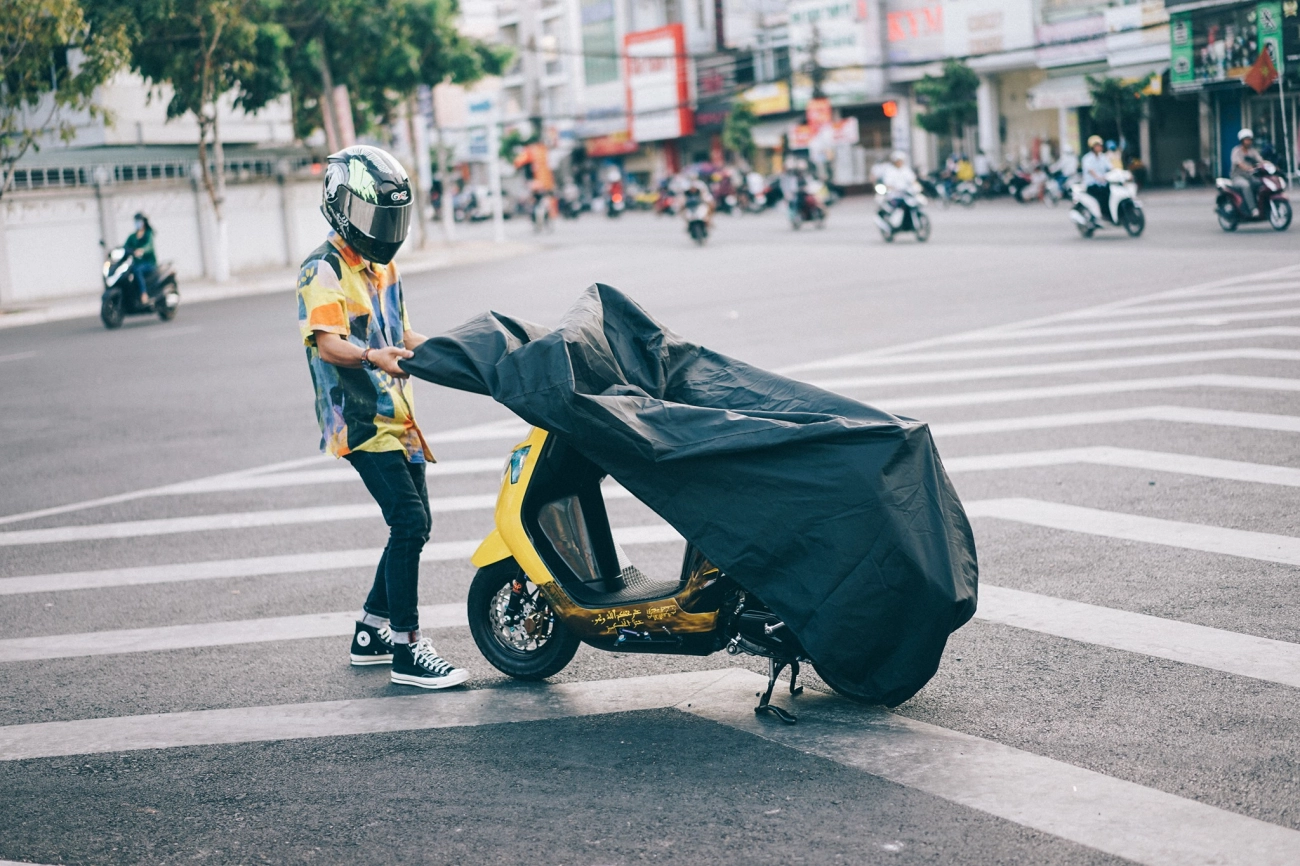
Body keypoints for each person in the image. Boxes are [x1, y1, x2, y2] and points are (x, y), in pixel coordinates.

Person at [297, 144, 469, 690]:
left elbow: (403, 337)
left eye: (391, 217)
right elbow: (329, 343)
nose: (384, 229)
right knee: (410, 522)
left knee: (415, 524)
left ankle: (371, 630)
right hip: (362, 420)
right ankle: (407, 649)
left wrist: (461, 356)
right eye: (375, 216)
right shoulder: (320, 270)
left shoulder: (384, 266)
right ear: (341, 206)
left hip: (401, 418)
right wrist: (373, 356)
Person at [123, 212, 156, 305]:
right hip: (136, 263)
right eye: (136, 221)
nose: (137, 223)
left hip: (148, 263)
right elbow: (125, 247)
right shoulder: (132, 236)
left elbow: (149, 246)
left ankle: (143, 294)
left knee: (137, 270)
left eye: (139, 221)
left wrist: (142, 250)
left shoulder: (148, 234)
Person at [1230, 128, 1263, 217]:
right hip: (1237, 177)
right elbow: (1239, 163)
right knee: (1246, 185)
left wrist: (1270, 165)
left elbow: (1260, 160)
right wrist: (1249, 168)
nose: (1249, 141)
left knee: (1261, 183)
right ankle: (1253, 209)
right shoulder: (1236, 151)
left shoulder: (1252, 151)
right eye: (1246, 139)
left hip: (1250, 176)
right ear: (1242, 141)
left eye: (1250, 139)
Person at [1082, 135, 1112, 222]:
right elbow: (1090, 170)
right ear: (1092, 147)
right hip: (1092, 185)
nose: (1100, 147)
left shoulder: (1103, 157)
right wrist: (1098, 177)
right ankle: (1104, 215)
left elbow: (1110, 167)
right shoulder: (1087, 158)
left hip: (1103, 184)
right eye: (1097, 145)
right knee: (1103, 196)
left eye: (1100, 145)